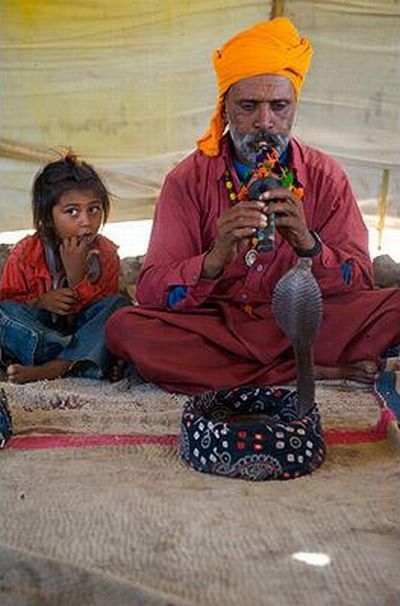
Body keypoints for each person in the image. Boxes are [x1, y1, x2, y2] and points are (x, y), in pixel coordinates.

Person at [106, 17, 400, 394]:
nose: (265, 122)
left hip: (302, 322)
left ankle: (250, 370)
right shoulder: (186, 180)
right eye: (248, 106)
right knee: (125, 328)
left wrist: (308, 243)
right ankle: (312, 370)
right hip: (218, 325)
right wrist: (214, 259)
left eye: (279, 106)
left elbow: (358, 280)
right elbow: (150, 291)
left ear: (295, 106)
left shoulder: (325, 176)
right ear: (225, 107)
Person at [0, 152, 130, 383]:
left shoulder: (107, 254)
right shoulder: (25, 253)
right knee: (4, 312)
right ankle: (81, 360)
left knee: (119, 307)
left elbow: (99, 313)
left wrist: (77, 277)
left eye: (94, 209)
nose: (86, 221)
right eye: (72, 211)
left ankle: (55, 367)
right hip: (40, 335)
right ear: (49, 218)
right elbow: (9, 303)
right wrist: (40, 302)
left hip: (81, 332)